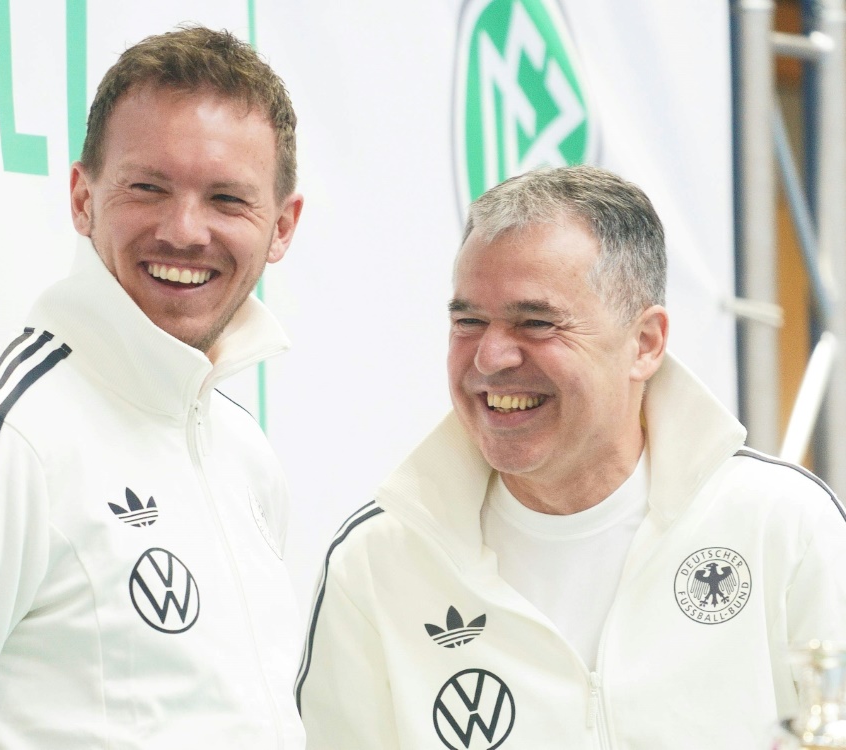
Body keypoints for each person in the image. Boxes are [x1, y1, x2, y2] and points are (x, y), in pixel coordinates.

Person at [0, 25, 305, 749]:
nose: (185, 230)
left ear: (282, 226)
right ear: (82, 198)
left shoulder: (245, 456)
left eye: (226, 199)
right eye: (148, 187)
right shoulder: (2, 440)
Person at [296, 165, 846, 749]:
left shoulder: (785, 527)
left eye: (536, 322)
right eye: (468, 321)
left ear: (645, 343)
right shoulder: (379, 564)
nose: (490, 356)